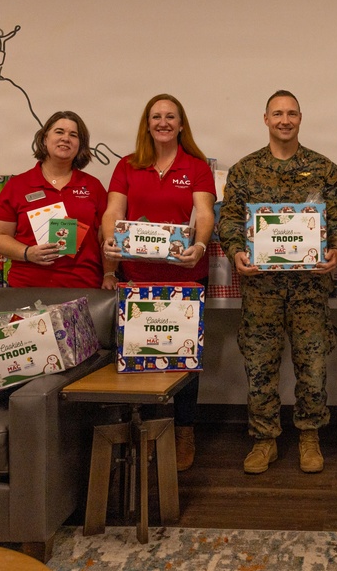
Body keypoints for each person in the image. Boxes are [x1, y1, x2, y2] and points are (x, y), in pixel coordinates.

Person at [217, 90, 337, 475]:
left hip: (310, 288)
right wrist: (236, 251)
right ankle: (264, 440)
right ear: (266, 119)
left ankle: (309, 437)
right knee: (259, 364)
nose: (285, 120)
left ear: (300, 118)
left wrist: (336, 250)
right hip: (261, 288)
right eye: (278, 113)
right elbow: (229, 220)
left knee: (313, 364)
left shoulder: (325, 169)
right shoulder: (244, 170)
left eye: (291, 113)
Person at [102, 93, 217, 472]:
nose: (163, 122)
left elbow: (203, 212)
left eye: (171, 116)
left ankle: (184, 430)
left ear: (182, 124)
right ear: (147, 124)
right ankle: (150, 431)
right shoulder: (127, 165)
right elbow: (114, 211)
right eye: (156, 116)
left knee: (184, 359)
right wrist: (110, 242)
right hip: (136, 278)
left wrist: (200, 245)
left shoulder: (196, 167)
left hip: (185, 278)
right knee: (143, 358)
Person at [0, 110, 110, 288]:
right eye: (59, 132)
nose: (66, 138)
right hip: (27, 288)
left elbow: (105, 238)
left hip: (83, 287)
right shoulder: (18, 185)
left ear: (80, 145)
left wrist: (109, 273)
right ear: (45, 138)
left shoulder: (93, 187)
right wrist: (27, 252)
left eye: (73, 135)